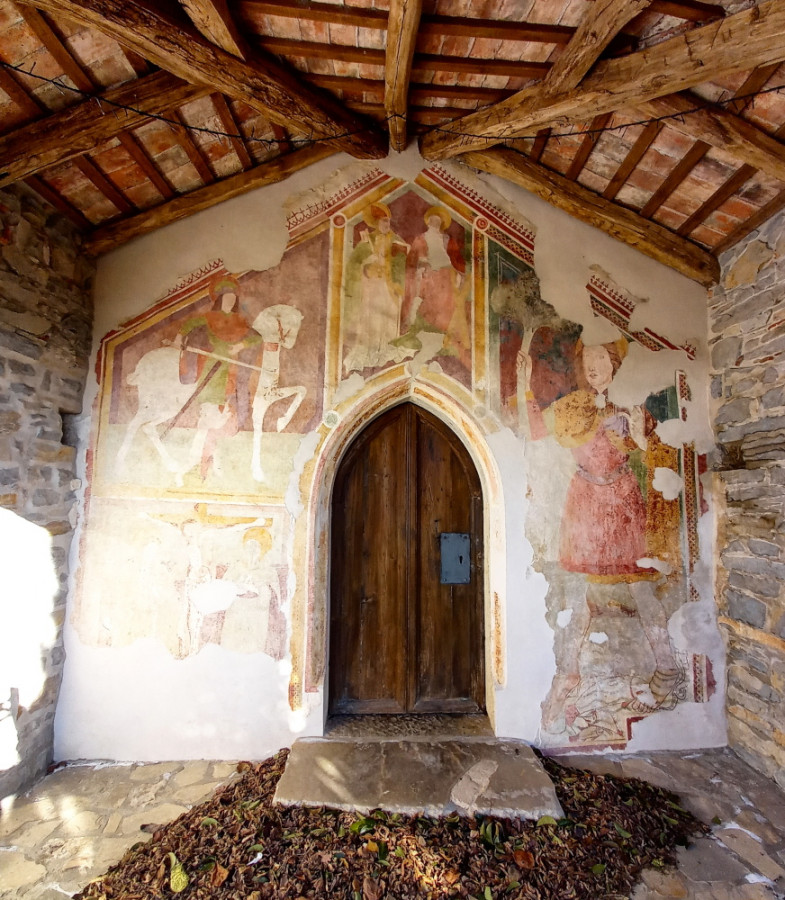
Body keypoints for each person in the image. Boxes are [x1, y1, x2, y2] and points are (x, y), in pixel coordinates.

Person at [518, 338, 684, 733]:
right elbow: (538, 429)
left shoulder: (629, 403)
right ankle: (569, 672)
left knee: (640, 586)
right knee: (579, 593)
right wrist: (526, 385)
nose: (593, 367)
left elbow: (653, 449)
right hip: (585, 503)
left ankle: (667, 666)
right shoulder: (573, 406)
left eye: (600, 360)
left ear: (613, 366)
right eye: (587, 360)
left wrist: (635, 432)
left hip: (624, 500)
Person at [175, 276, 262, 478]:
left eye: (233, 299)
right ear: (219, 299)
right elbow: (188, 325)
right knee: (209, 417)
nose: (230, 302)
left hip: (230, 371)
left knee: (222, 419)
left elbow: (257, 337)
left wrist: (240, 345)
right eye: (226, 298)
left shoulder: (239, 322)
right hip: (212, 371)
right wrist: (178, 338)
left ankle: (206, 459)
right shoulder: (207, 318)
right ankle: (203, 460)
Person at [343, 202, 411, 373]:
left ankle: (386, 351)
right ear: (376, 223)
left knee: (389, 316)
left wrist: (404, 254)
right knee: (372, 317)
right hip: (372, 286)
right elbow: (353, 264)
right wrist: (367, 265)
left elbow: (403, 262)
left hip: (390, 286)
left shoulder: (395, 240)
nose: (386, 224)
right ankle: (371, 352)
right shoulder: (367, 241)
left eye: (388, 221)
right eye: (383, 221)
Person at [401, 206, 470, 364]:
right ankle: (417, 326)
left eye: (438, 221)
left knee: (448, 301)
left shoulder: (447, 239)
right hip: (428, 272)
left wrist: (460, 272)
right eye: (433, 220)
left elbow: (456, 258)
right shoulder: (421, 238)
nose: (435, 223)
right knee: (424, 295)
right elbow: (412, 259)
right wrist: (422, 265)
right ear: (428, 222)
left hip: (447, 273)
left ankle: (444, 333)